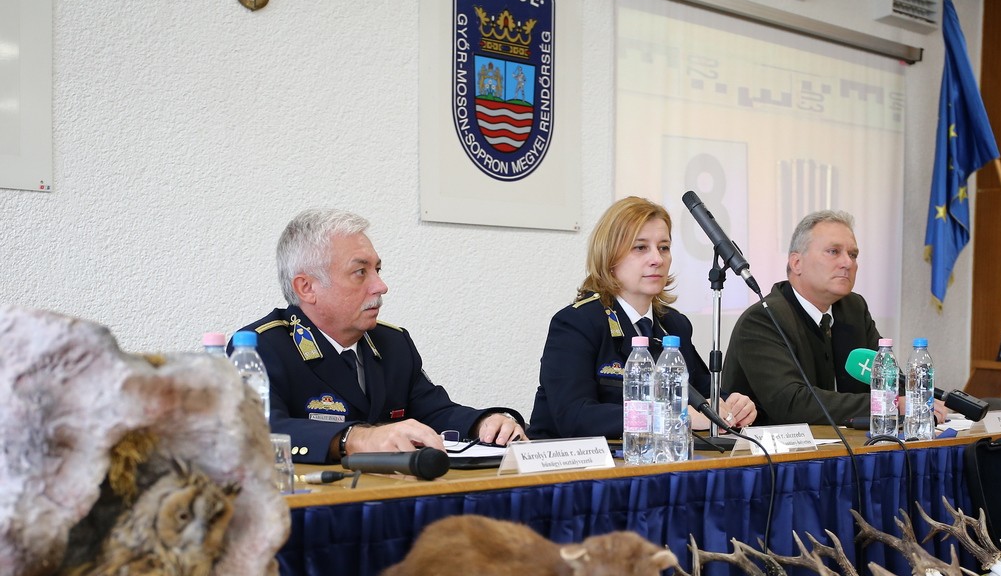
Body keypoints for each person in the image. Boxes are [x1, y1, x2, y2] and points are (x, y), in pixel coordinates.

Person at [236, 209, 524, 463]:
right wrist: (354, 438)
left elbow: (435, 413)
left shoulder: (393, 343)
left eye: (377, 270)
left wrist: (483, 423)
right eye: (360, 272)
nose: (381, 286)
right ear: (307, 287)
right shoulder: (261, 347)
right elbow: (257, 431)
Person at [528, 196, 756, 440]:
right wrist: (675, 417)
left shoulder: (674, 324)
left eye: (664, 247)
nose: (657, 259)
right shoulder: (577, 323)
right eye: (640, 248)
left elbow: (703, 395)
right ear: (610, 256)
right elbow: (575, 416)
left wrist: (734, 406)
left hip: (655, 458)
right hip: (575, 461)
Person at [723, 209, 946, 426]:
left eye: (853, 255)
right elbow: (791, 403)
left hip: (849, 443)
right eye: (833, 251)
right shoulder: (763, 319)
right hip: (773, 450)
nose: (848, 263)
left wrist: (914, 401)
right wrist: (891, 404)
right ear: (796, 263)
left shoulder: (853, 309)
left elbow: (892, 382)